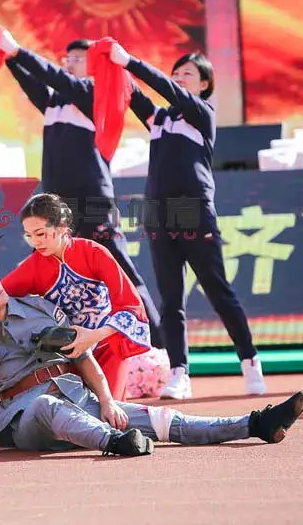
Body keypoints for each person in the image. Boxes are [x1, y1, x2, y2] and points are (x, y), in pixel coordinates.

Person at [0, 260, 303, 458]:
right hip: (23, 419)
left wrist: (108, 400)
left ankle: (255, 424)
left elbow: (82, 358)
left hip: (80, 400)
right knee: (47, 406)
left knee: (162, 420)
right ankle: (115, 444)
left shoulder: (38, 307)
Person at [100, 42, 267, 399]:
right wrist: (112, 65)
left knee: (217, 291)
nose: (179, 78)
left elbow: (164, 88)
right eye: (176, 73)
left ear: (204, 84)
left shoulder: (201, 113)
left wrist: (130, 61)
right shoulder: (160, 120)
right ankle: (179, 373)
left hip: (193, 210)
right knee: (171, 299)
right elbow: (133, 94)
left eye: (187, 74)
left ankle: (250, 361)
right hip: (158, 213)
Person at [0, 36, 163, 348]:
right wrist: (8, 58)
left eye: (78, 58)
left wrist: (17, 51)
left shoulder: (92, 92)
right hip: (55, 205)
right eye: (68, 58)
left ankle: (157, 348)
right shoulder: (54, 101)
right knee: (43, 267)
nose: (69, 63)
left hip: (91, 201)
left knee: (121, 272)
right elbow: (32, 82)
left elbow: (53, 77)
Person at [0, 193, 152, 399]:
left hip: (107, 345)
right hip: (69, 354)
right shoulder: (33, 267)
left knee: (111, 411)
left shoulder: (93, 252)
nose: (35, 242)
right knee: (74, 416)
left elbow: (130, 305)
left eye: (40, 233)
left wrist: (93, 336)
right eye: (29, 236)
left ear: (62, 227)